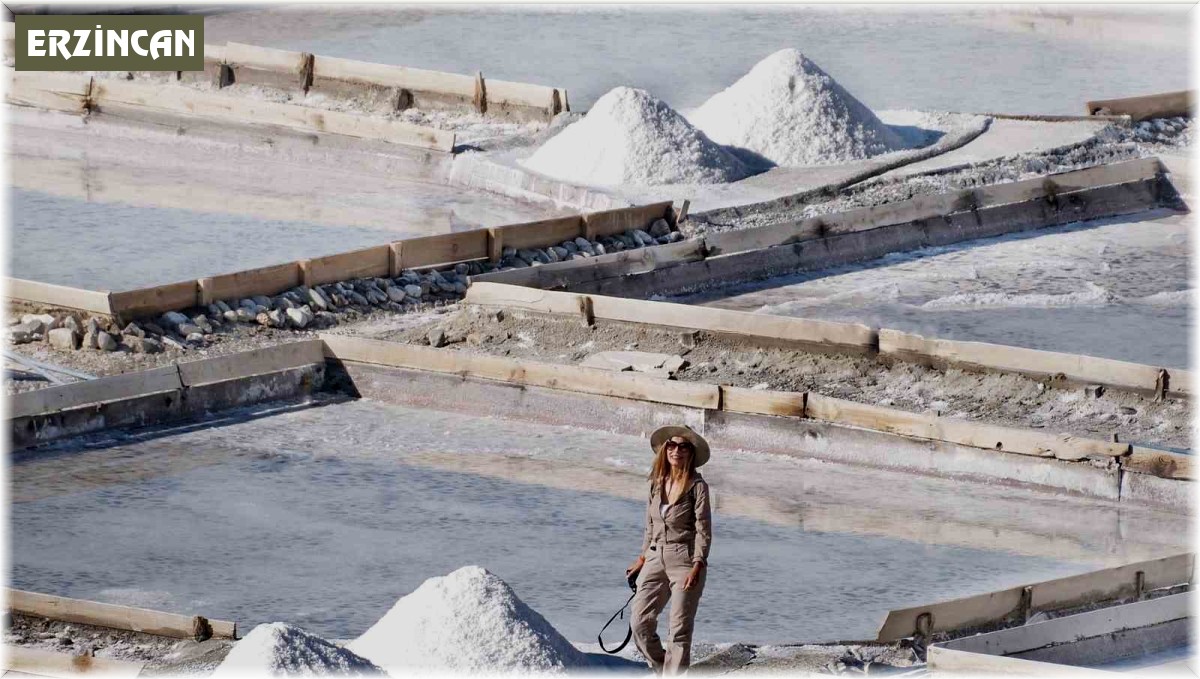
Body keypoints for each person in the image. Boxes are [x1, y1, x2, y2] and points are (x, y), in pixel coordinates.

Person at [625, 424, 712, 675]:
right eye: (672, 445)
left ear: (691, 453)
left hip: (685, 559)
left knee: (679, 630)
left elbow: (704, 530)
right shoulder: (656, 483)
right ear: (665, 449)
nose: (676, 450)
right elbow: (649, 526)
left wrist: (698, 564)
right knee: (639, 622)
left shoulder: (697, 486)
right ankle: (664, 667)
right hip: (655, 556)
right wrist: (642, 557)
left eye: (683, 446)